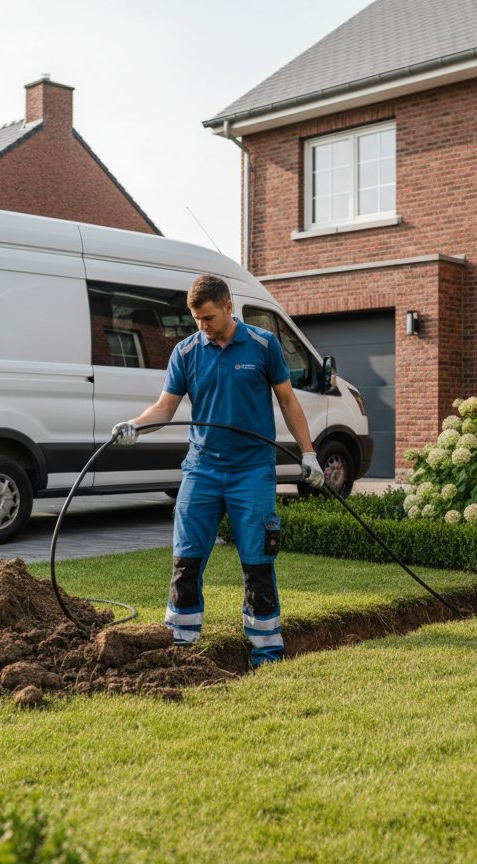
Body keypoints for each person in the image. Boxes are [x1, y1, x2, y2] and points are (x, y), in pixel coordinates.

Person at [111, 274, 324, 666]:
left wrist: (308, 454)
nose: (202, 326)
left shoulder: (263, 345)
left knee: (258, 559)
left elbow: (289, 402)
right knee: (186, 557)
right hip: (202, 469)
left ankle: (266, 649)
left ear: (229, 307)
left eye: (208, 318)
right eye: (196, 319)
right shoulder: (187, 352)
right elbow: (165, 408)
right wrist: (134, 426)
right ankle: (181, 641)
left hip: (252, 470)